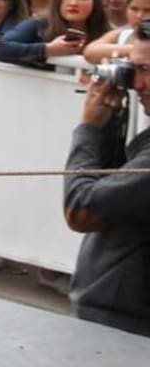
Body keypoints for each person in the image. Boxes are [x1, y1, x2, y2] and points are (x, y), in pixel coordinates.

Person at [63, 18, 150, 336]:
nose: (137, 84)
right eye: (135, 69)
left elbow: (81, 210)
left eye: (147, 70)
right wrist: (108, 124)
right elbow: (117, 189)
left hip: (125, 322)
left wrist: (88, 129)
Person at [0, 0, 109, 69]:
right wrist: (48, 50)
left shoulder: (106, 34)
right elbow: (3, 48)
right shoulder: (38, 25)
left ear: (95, 2)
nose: (73, 3)